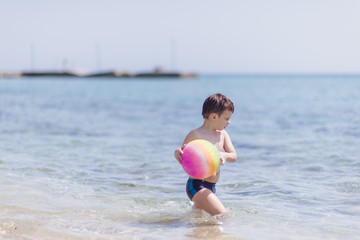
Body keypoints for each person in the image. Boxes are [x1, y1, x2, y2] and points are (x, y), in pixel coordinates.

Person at [174, 93, 237, 216]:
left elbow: (233, 156)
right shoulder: (195, 134)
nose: (229, 122)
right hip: (196, 184)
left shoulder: (222, 135)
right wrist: (177, 152)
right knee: (222, 215)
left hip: (211, 185)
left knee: (198, 220)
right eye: (226, 118)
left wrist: (224, 155)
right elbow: (183, 154)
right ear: (214, 117)